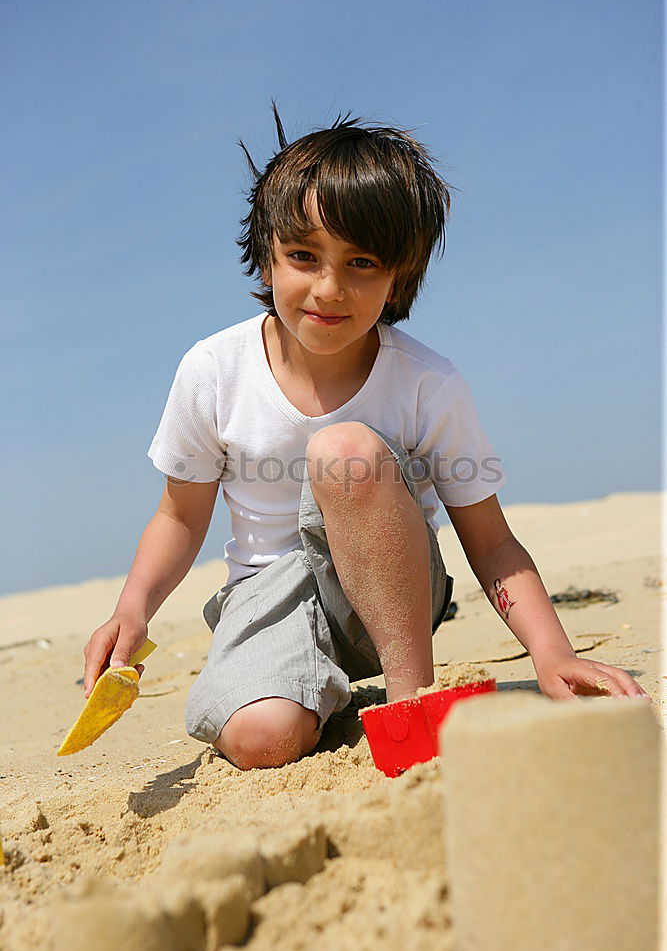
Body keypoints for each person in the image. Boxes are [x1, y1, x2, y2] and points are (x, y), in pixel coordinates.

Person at [83, 105, 651, 771]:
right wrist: (131, 610)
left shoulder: (424, 382)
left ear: (398, 278)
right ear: (266, 257)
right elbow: (179, 515)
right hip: (267, 595)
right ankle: (312, 694)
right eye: (302, 256)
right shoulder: (213, 372)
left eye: (361, 262)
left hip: (392, 596)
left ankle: (410, 707)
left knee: (345, 452)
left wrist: (551, 653)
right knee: (262, 738)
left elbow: (490, 541)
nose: (328, 287)